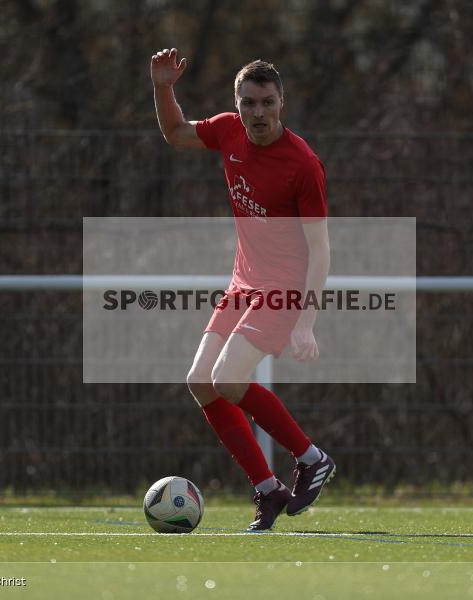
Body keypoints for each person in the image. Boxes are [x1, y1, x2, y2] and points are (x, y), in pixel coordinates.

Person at [151, 49, 336, 531]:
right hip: (244, 281)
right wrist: (164, 88)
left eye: (267, 103)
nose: (258, 112)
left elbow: (320, 251)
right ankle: (268, 489)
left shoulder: (302, 164)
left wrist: (306, 322)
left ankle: (311, 458)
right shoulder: (228, 131)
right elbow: (175, 133)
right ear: (237, 104)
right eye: (249, 102)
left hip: (284, 288)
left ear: (281, 103)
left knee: (228, 379)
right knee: (201, 381)